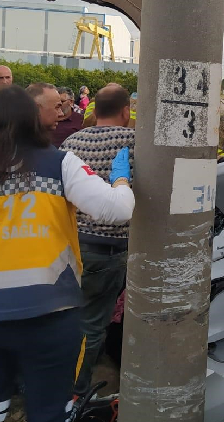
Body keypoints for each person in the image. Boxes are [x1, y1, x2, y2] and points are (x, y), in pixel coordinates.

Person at [0, 85, 134, 422]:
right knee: (49, 412)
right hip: (50, 319)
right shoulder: (59, 164)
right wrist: (121, 180)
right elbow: (117, 210)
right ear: (33, 121)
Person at [59, 83, 134, 395]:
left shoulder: (70, 142)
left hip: (72, 244)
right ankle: (74, 390)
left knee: (69, 315)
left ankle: (56, 371)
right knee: (92, 322)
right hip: (110, 249)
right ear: (126, 111)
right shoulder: (133, 141)